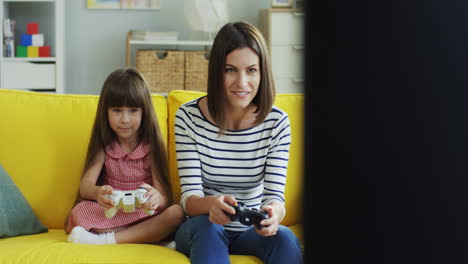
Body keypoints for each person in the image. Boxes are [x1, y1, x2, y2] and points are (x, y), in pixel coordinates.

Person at [174, 22, 303, 263]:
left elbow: (275, 196)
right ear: (216, 72)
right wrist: (212, 204)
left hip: (248, 232)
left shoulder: (277, 122)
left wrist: (274, 214)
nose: (242, 83)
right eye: (230, 70)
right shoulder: (188, 117)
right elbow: (189, 201)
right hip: (200, 228)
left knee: (285, 239)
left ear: (262, 72)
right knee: (208, 229)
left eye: (251, 70)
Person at [66, 68, 185, 245]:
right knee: (79, 211)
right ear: (105, 112)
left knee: (177, 213)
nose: (125, 119)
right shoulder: (105, 145)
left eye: (133, 110)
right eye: (116, 110)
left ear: (144, 112)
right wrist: (98, 193)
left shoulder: (150, 147)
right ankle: (146, 238)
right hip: (112, 214)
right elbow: (85, 186)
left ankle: (104, 241)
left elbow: (164, 198)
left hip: (142, 213)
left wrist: (155, 199)